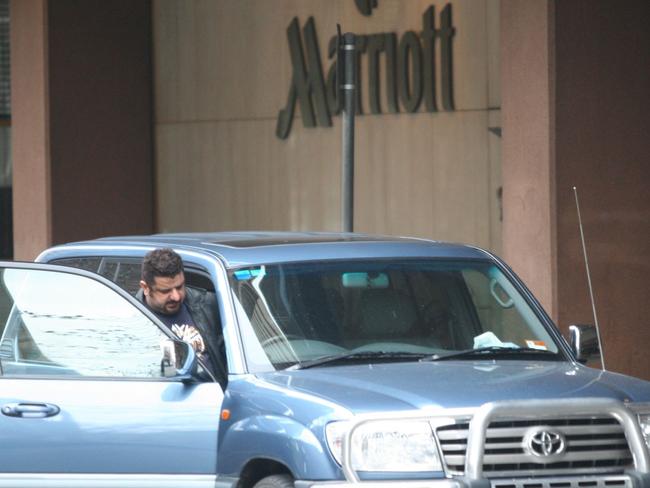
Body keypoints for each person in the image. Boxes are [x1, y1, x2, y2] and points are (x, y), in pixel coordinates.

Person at [137, 248, 224, 380]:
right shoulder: (133, 318)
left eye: (179, 287)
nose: (176, 297)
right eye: (165, 291)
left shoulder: (207, 304)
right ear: (145, 288)